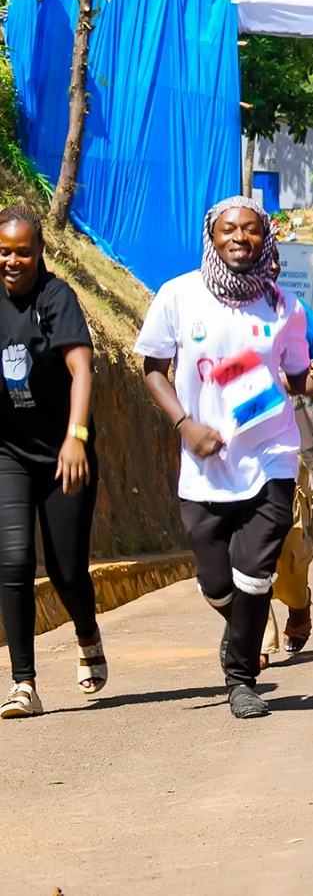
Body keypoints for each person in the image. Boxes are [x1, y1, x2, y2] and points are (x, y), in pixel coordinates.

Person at [135, 195, 312, 719]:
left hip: (271, 454)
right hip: (204, 465)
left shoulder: (284, 306)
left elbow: (296, 374)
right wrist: (185, 425)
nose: (240, 237)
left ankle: (241, 679)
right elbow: (152, 367)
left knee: (255, 572)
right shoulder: (179, 295)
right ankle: (241, 629)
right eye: (229, 229)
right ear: (212, 237)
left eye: (251, 229)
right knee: (217, 582)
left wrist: (312, 380)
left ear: (264, 238)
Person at [0, 207, 103, 719]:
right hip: (10, 453)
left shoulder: (55, 297)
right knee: (13, 560)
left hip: (65, 453)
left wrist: (76, 437)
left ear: (39, 252)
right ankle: (24, 684)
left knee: (66, 571)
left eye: (23, 251)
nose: (13, 260)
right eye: (4, 251)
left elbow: (81, 368)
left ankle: (86, 631)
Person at [258, 259, 313, 666]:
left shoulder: (290, 308)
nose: (271, 263)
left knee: (290, 541)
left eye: (275, 254)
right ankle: (257, 634)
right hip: (230, 447)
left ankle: (298, 602)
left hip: (287, 441)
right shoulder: (208, 305)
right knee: (242, 539)